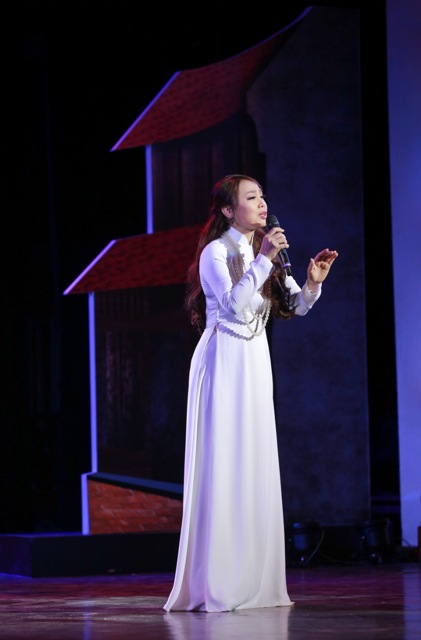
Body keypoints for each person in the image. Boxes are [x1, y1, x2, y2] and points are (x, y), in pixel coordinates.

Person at [164, 174, 338, 612]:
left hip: (255, 361)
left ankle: (257, 582)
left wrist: (313, 282)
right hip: (224, 360)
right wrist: (263, 259)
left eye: (262, 196)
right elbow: (233, 305)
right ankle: (220, 583)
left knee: (255, 460)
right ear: (228, 210)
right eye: (251, 197)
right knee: (225, 461)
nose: (262, 204)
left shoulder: (266, 252)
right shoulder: (216, 253)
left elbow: (295, 306)